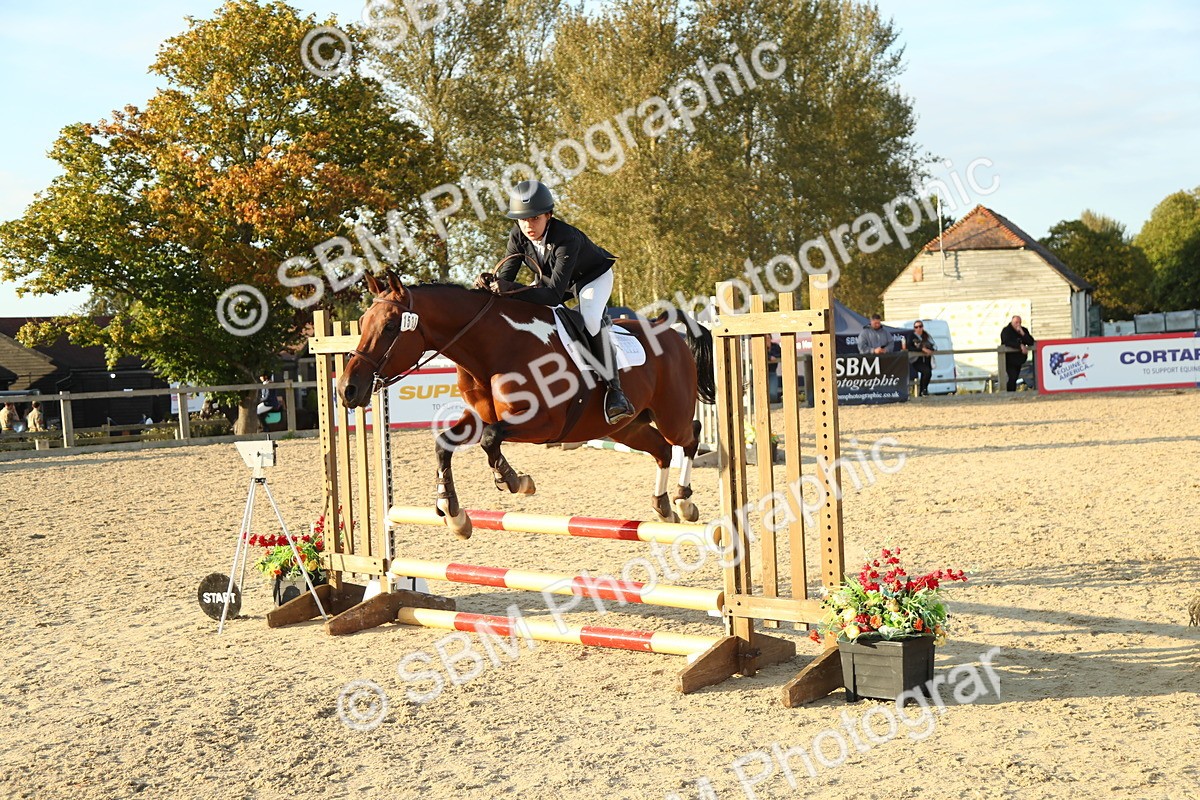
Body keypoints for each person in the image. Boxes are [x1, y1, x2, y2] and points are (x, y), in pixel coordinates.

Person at [475, 179, 634, 424]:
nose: (528, 225)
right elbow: (506, 279)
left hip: (591, 278)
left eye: (535, 218)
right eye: (523, 219)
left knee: (590, 318)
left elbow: (552, 296)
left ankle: (616, 392)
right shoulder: (518, 235)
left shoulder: (565, 237)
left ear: (548, 215)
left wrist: (514, 288)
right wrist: (489, 286)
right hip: (555, 281)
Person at [1000, 315, 1035, 391]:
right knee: (1012, 377)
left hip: (1019, 359)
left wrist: (1023, 333)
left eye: (1019, 322)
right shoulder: (1006, 331)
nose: (1018, 324)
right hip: (1009, 359)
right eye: (1016, 322)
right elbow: (1007, 341)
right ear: (1012, 322)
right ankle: (1010, 393)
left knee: (1015, 377)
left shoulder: (1023, 330)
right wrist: (1020, 346)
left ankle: (1011, 392)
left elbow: (1031, 342)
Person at [906, 321, 936, 397]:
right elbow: (909, 347)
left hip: (927, 358)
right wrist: (922, 349)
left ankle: (923, 390)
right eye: (916, 327)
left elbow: (934, 345)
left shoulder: (926, 335)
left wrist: (930, 350)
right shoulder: (911, 336)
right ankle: (923, 390)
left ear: (922, 327)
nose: (918, 328)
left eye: (920, 326)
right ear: (914, 328)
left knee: (927, 373)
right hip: (916, 359)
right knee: (926, 371)